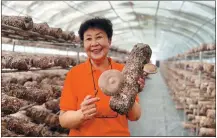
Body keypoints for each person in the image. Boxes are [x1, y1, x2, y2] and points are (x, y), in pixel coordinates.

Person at [59, 17, 145, 136]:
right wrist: (81, 114)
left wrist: (130, 93)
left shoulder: (123, 71)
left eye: (99, 37)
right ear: (83, 44)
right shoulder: (74, 74)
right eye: (88, 39)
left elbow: (135, 116)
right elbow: (63, 120)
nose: (94, 43)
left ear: (109, 41)